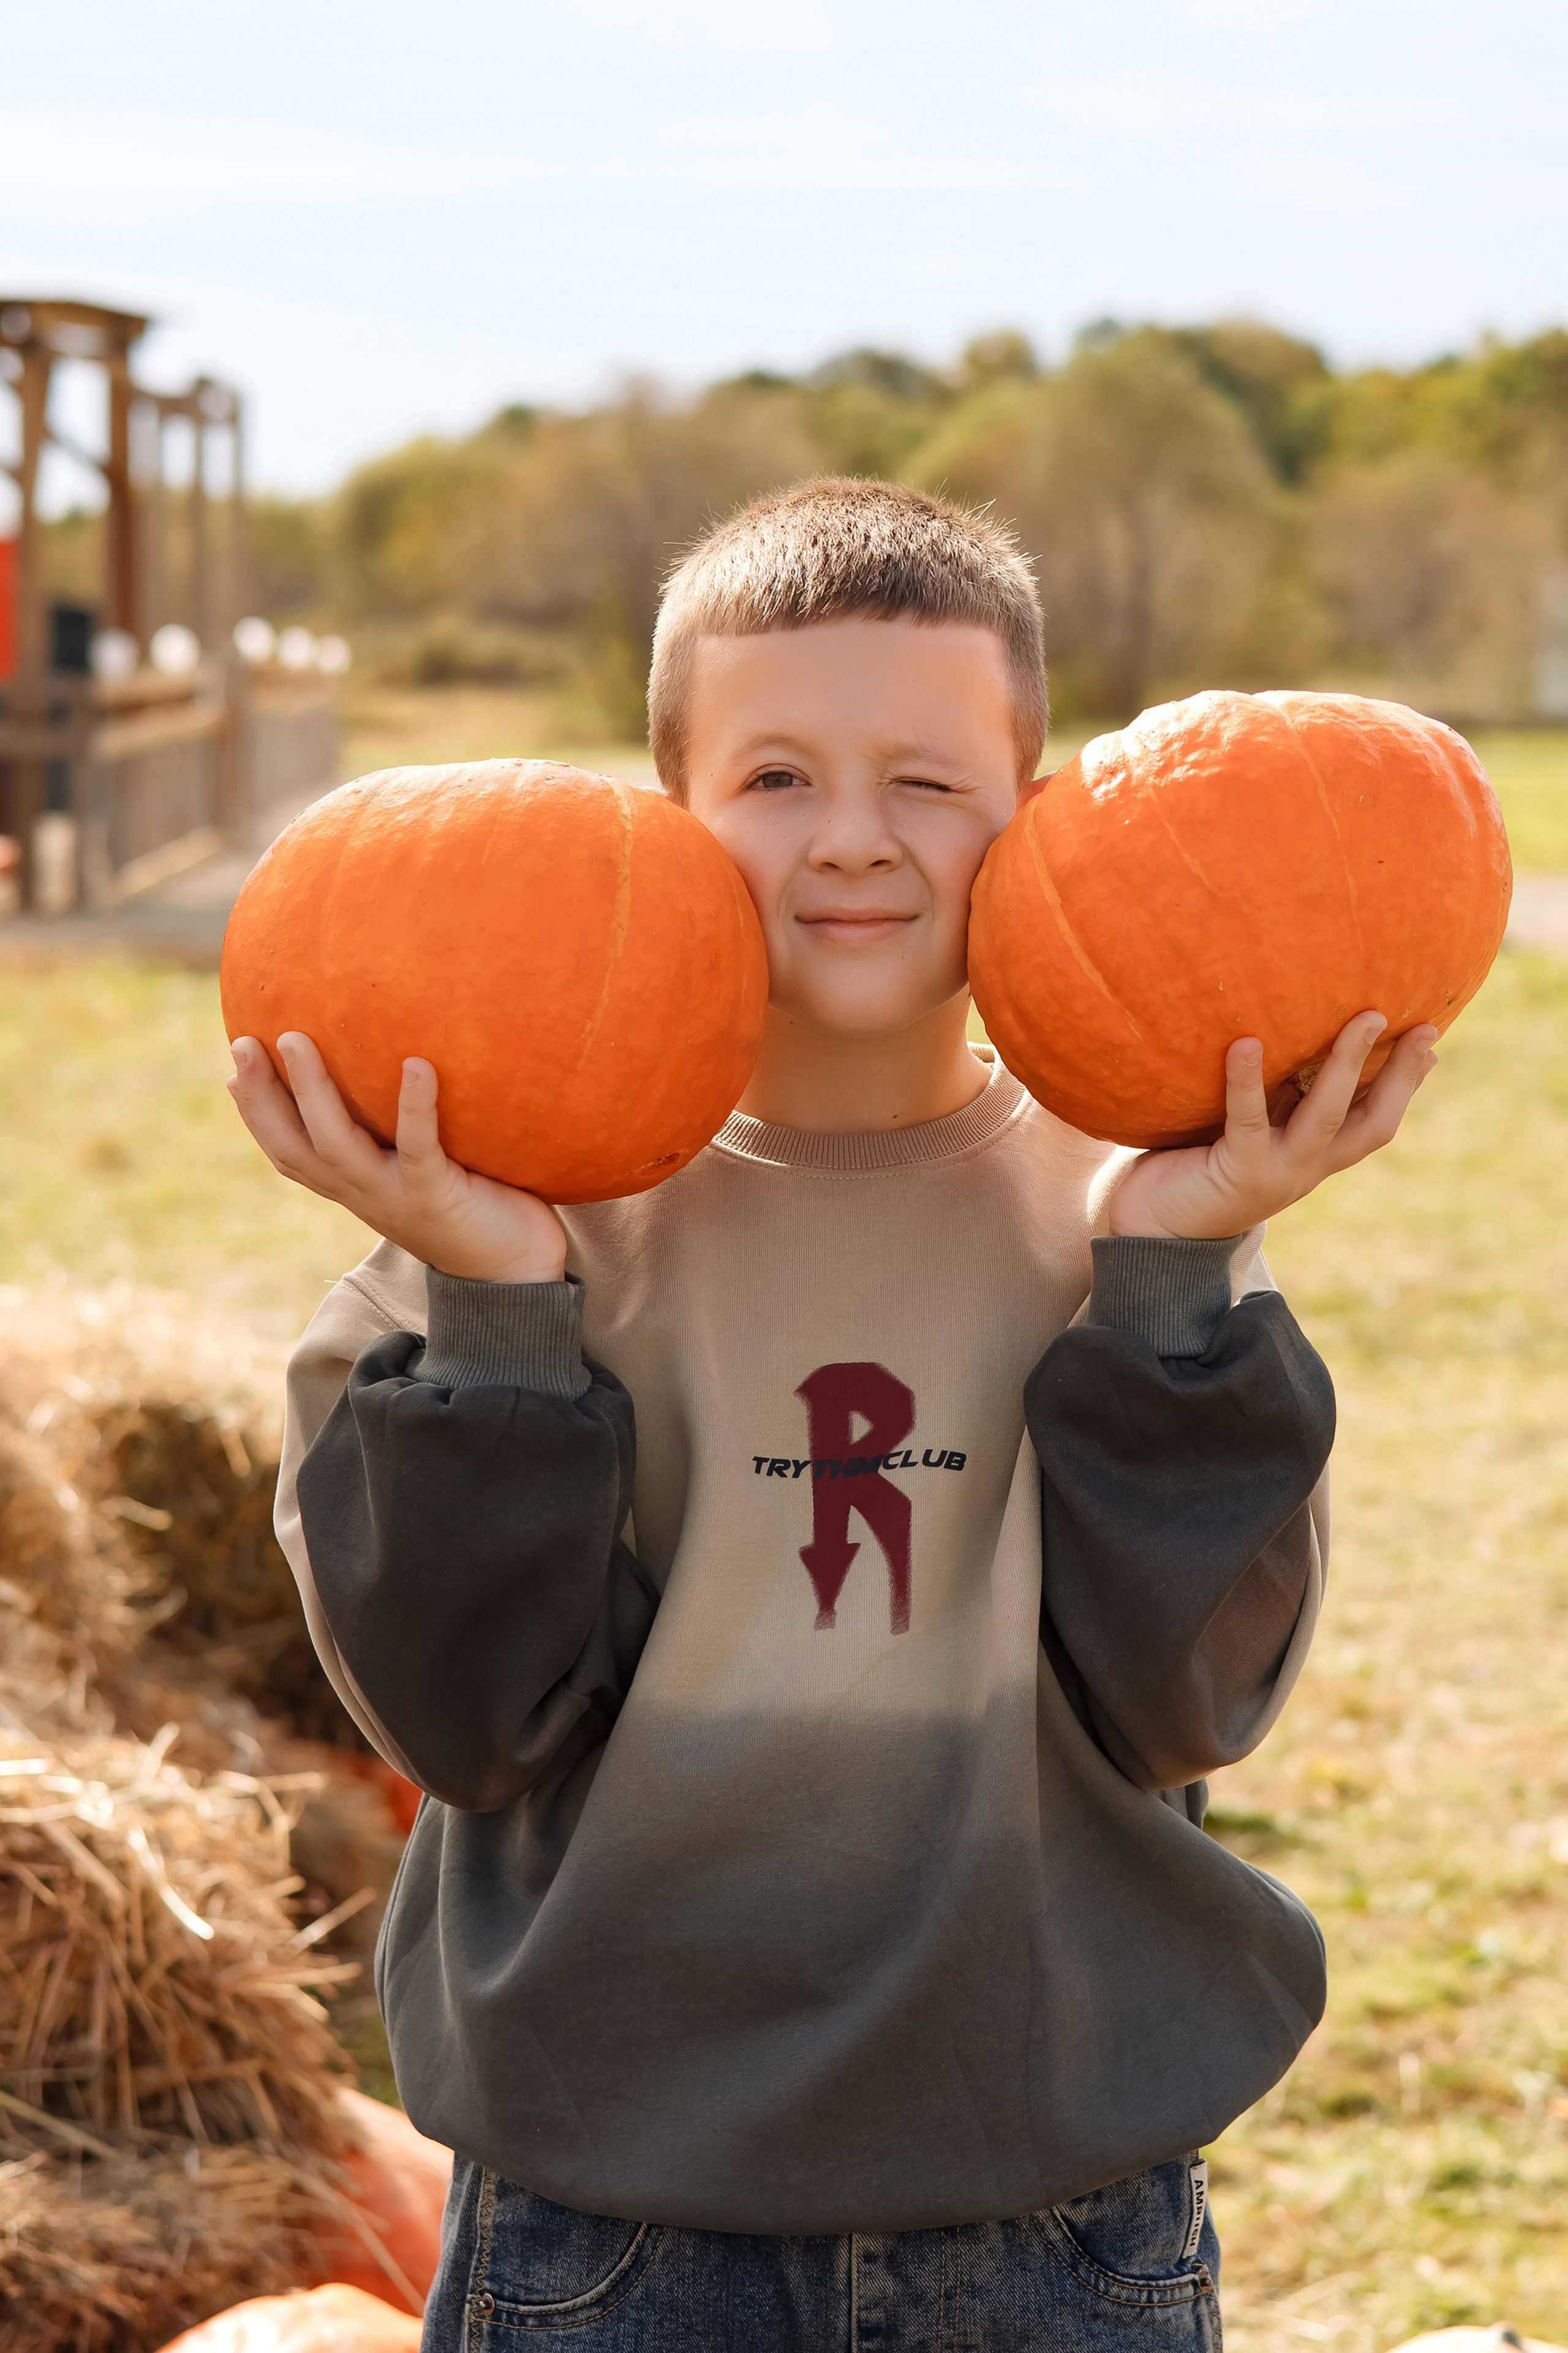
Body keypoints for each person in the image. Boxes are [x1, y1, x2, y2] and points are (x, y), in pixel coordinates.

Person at [231, 478, 1436, 2351]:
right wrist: (493, 1304)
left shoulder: (1126, 1219)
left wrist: (1178, 1279)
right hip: (611, 2223)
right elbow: (467, 1727)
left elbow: (1187, 1701)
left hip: (1061, 2211)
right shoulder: (509, 1239)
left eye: (929, 782)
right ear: (669, 817)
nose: (854, 839)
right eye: (777, 777)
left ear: (1036, 819)